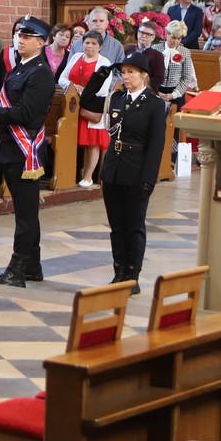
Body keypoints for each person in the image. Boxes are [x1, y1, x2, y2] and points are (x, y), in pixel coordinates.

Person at [0, 16, 57, 287]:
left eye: (27, 37)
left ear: (41, 43)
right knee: (26, 212)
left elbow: (24, 113)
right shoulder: (21, 68)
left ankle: (17, 269)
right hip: (12, 148)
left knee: (25, 214)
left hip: (25, 152)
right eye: (19, 35)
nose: (20, 40)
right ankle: (33, 266)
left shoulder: (40, 73)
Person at [80, 50, 167, 293]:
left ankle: (132, 276)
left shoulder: (154, 104)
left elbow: (156, 146)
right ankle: (119, 272)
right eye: (123, 72)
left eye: (131, 72)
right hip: (113, 170)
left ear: (143, 75)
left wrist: (149, 178)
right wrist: (99, 76)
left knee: (134, 226)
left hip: (136, 170)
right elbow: (87, 101)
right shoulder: (116, 98)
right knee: (117, 226)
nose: (126, 77)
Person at [61, 31, 111, 187]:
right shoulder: (76, 57)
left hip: (92, 105)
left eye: (94, 43)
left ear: (100, 46)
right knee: (70, 137)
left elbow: (103, 89)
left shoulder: (105, 63)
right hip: (72, 104)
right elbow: (62, 78)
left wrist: (85, 92)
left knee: (92, 142)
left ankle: (88, 176)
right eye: (87, 42)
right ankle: (69, 173)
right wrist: (73, 86)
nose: (90, 46)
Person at [159, 20, 198, 104]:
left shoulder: (185, 52)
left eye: (179, 38)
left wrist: (174, 95)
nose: (176, 41)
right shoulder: (155, 49)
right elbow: (149, 75)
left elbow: (187, 77)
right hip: (157, 92)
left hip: (177, 93)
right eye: (173, 37)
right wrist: (156, 92)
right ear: (166, 34)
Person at [127, 18, 167, 86]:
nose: (144, 36)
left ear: (153, 37)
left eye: (148, 34)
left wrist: (139, 84)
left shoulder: (157, 56)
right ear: (138, 33)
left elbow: (159, 79)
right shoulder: (129, 51)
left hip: (148, 90)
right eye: (142, 32)